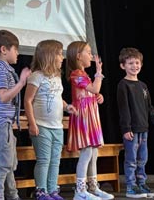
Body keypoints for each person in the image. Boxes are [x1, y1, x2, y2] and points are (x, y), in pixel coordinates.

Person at [24, 40, 76, 200]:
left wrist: (67, 107)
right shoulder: (36, 76)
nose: (62, 57)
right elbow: (28, 100)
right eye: (60, 54)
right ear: (49, 56)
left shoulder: (56, 77)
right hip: (41, 126)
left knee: (55, 160)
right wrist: (32, 124)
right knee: (44, 159)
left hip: (57, 127)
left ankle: (53, 189)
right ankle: (41, 190)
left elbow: (57, 98)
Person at [117, 47, 154, 198]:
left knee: (142, 159)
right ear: (123, 66)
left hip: (144, 129)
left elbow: (149, 108)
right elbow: (124, 109)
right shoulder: (123, 85)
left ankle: (141, 184)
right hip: (131, 130)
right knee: (131, 160)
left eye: (137, 62)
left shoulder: (143, 86)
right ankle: (131, 187)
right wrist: (126, 128)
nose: (135, 66)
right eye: (130, 63)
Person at [0, 30, 31, 200]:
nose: (18, 53)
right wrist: (21, 82)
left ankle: (12, 195)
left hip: (5, 123)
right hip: (0, 123)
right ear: (4, 50)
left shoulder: (5, 70)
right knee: (5, 163)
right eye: (15, 49)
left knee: (10, 162)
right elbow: (3, 96)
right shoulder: (1, 72)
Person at [65, 41, 113, 200]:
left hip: (91, 115)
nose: (91, 55)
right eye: (88, 52)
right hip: (83, 117)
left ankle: (93, 186)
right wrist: (98, 73)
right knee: (86, 152)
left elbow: (93, 92)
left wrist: (97, 97)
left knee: (94, 152)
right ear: (78, 56)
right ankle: (80, 190)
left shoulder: (83, 74)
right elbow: (94, 88)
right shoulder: (76, 74)